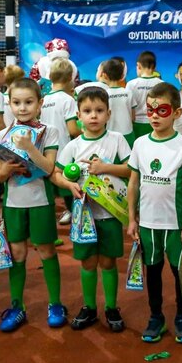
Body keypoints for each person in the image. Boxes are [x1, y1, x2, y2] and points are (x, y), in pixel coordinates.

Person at [53, 86, 132, 332]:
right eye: (87, 111)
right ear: (78, 115)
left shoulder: (117, 139)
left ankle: (111, 307)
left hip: (110, 214)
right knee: (87, 262)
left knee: (108, 262)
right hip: (83, 216)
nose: (94, 116)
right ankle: (89, 307)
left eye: (99, 110)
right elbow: (56, 173)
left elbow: (131, 169)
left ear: (109, 114)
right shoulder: (73, 146)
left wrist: (104, 168)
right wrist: (69, 185)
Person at [127, 82, 182, 343]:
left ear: (177, 113)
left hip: (176, 223)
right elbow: (133, 183)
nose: (154, 116)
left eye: (162, 110)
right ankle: (156, 316)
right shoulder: (140, 144)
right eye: (150, 110)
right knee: (153, 270)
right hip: (148, 223)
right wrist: (131, 218)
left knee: (179, 270)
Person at [0, 78, 67, 332]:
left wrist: (28, 147)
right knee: (17, 254)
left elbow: (49, 168)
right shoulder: (2, 135)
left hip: (40, 201)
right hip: (13, 203)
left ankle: (55, 304)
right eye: (16, 102)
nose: (22, 107)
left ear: (40, 103)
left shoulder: (50, 131)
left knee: (46, 251)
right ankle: (17, 306)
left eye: (28, 102)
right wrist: (5, 170)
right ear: (9, 104)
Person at [41, 58, 80, 225]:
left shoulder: (43, 99)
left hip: (46, 151)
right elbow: (73, 130)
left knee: (50, 186)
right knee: (68, 183)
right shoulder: (67, 100)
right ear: (70, 77)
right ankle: (73, 212)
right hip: (64, 149)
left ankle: (52, 217)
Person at [101, 57, 136, 147]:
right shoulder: (128, 92)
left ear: (104, 75)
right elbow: (133, 117)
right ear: (122, 76)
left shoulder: (104, 95)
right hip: (128, 133)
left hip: (110, 135)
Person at [126, 50, 160, 140]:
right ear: (154, 67)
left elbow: (128, 107)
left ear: (138, 66)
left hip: (136, 124)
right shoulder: (161, 84)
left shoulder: (131, 84)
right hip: (156, 123)